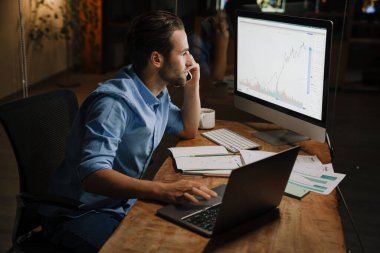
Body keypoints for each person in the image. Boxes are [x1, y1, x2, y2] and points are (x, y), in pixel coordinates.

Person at [40, 10, 217, 253]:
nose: (191, 60)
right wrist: (162, 190)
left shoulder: (156, 92)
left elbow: (187, 129)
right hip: (79, 215)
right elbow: (93, 174)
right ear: (157, 59)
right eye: (184, 52)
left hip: (119, 204)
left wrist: (192, 85)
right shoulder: (114, 104)